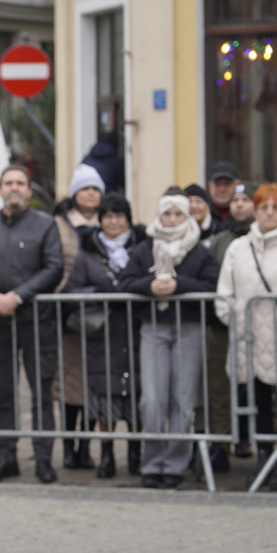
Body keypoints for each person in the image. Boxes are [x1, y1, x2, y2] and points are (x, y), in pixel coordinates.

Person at [0, 164, 64, 484]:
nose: (14, 188)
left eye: (20, 183)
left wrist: (18, 296)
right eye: (8, 182)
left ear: (29, 189)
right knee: (4, 393)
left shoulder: (46, 224)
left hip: (37, 321)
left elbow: (54, 266)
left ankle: (43, 460)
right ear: (0, 189)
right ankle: (6, 456)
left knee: (40, 393)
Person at [118, 193, 219, 488]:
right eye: (167, 214)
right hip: (153, 328)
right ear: (159, 216)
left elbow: (212, 285)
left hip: (189, 328)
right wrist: (150, 286)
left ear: (187, 217)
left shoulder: (198, 250)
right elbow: (125, 282)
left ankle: (175, 464)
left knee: (183, 400)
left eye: (178, 214)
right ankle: (152, 462)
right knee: (152, 399)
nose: (172, 219)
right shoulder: (145, 248)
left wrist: (179, 286)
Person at [216, 183, 277, 490]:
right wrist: (237, 319)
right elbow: (224, 295)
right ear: (255, 212)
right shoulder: (238, 248)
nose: (269, 213)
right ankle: (264, 458)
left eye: (275, 208)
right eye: (263, 208)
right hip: (248, 339)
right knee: (256, 404)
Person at [63, 193, 147, 478]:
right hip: (104, 335)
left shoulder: (143, 249)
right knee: (104, 398)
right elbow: (71, 291)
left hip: (136, 331)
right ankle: (107, 456)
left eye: (119, 216)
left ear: (129, 220)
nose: (114, 222)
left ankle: (136, 453)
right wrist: (98, 294)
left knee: (136, 394)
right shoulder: (87, 255)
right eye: (108, 216)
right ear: (100, 221)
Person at [52, 163, 106, 469]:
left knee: (95, 383)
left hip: (102, 317)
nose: (91, 194)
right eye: (85, 188)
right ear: (74, 193)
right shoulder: (59, 224)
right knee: (69, 383)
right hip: (69, 315)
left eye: (95, 188)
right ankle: (69, 447)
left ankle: (87, 447)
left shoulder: (111, 220)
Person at [204, 181, 259, 462]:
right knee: (220, 388)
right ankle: (222, 443)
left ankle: (256, 441)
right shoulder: (220, 240)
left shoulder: (263, 237)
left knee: (257, 386)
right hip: (221, 325)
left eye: (246, 200)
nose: (239, 205)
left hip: (258, 326)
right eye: (236, 201)